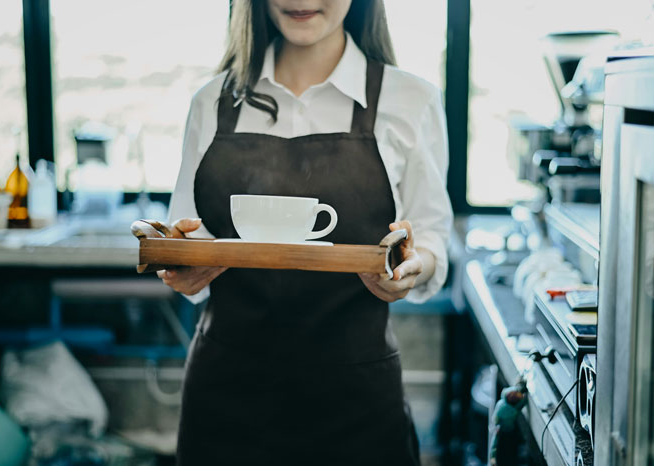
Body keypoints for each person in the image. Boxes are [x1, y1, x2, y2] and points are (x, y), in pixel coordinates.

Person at [159, 0, 453, 464]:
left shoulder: (411, 101)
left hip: (356, 399)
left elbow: (432, 235)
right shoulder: (212, 102)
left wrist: (414, 266)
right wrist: (183, 259)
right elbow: (186, 232)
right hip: (227, 397)